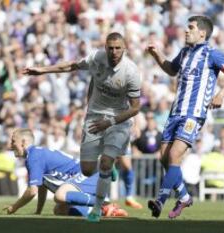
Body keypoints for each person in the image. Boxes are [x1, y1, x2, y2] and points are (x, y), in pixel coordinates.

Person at [23, 32, 141, 222]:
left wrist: (110, 122)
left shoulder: (131, 72)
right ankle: (107, 168)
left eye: (118, 48)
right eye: (110, 48)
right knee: (86, 170)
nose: (114, 51)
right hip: (94, 117)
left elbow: (136, 107)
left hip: (117, 119)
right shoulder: (96, 58)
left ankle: (101, 206)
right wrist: (43, 70)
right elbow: (71, 65)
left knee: (104, 163)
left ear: (124, 49)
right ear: (105, 47)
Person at [146, 15, 224, 219]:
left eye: (191, 27)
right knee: (164, 158)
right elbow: (171, 70)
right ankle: (184, 197)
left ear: (202, 33)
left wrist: (220, 94)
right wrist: (157, 55)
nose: (186, 31)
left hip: (194, 113)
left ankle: (160, 201)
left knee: (174, 156)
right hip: (175, 112)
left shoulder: (213, 54)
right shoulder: (184, 53)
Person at [3, 128, 128, 217]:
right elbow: (42, 186)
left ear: (24, 142)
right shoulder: (36, 154)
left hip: (89, 175)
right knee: (59, 209)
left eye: (13, 141)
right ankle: (106, 211)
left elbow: (32, 191)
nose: (11, 145)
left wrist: (14, 207)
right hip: (86, 179)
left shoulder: (33, 157)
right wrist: (38, 211)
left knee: (60, 195)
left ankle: (104, 202)